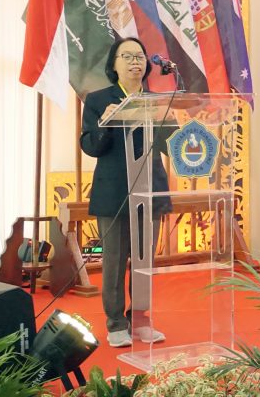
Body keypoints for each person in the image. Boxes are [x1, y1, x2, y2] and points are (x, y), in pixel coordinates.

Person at [80, 37, 170, 348]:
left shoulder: (156, 101)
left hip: (150, 189)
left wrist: (173, 123)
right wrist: (106, 121)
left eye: (140, 56)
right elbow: (90, 145)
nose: (136, 62)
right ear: (114, 64)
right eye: (128, 56)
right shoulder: (98, 100)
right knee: (115, 261)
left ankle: (141, 320)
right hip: (114, 192)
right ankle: (116, 323)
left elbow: (168, 143)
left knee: (144, 262)